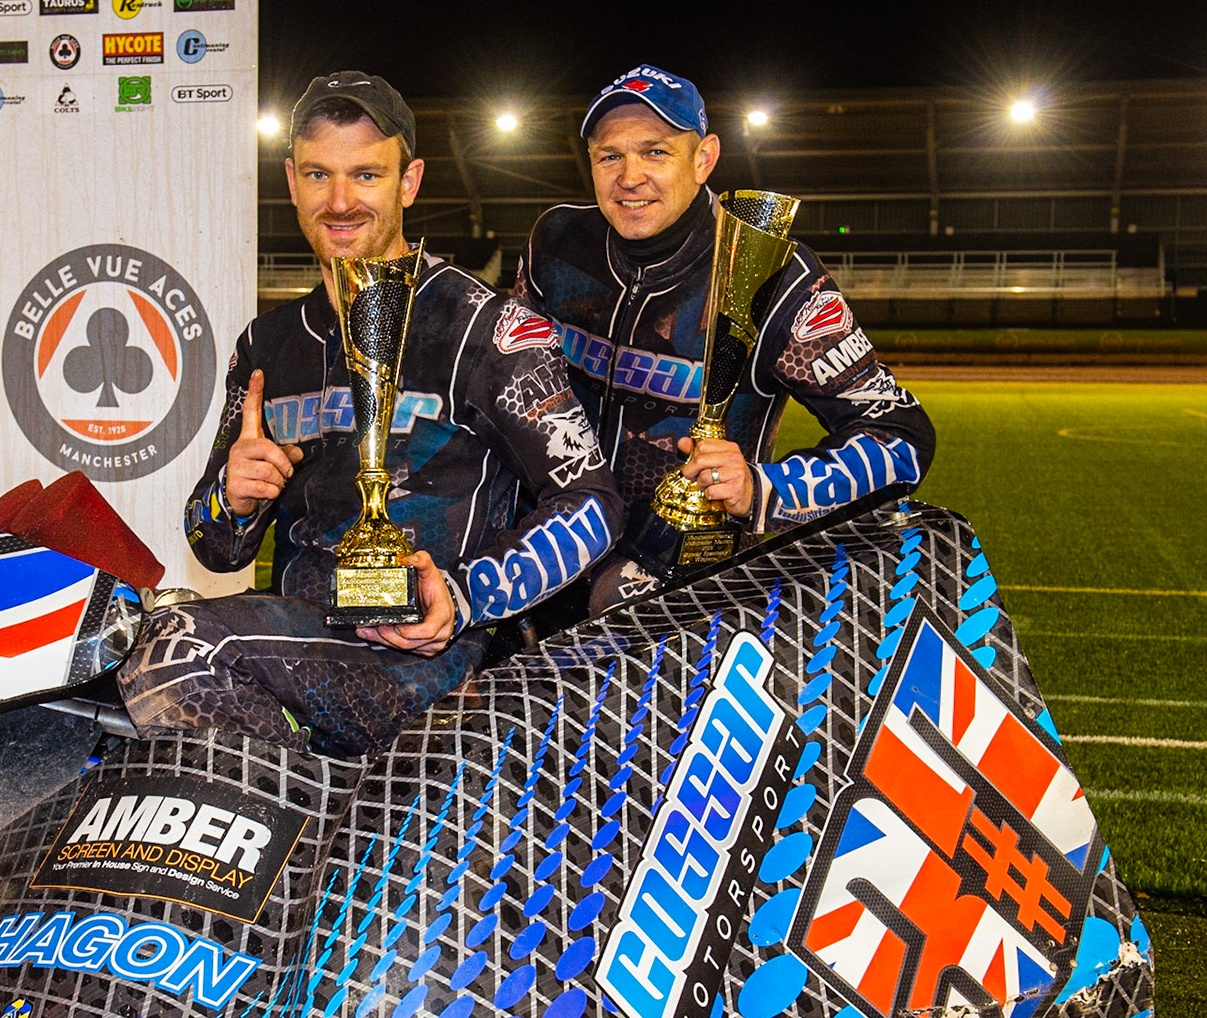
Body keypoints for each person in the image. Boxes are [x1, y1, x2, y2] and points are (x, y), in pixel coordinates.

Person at [117, 71, 623, 759]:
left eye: (366, 174)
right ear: (292, 181)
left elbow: (592, 504)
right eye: (320, 174)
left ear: (408, 183)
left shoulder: (487, 327)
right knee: (119, 640)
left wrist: (463, 594)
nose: (341, 201)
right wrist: (231, 500)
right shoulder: (268, 343)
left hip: (428, 662)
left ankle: (316, 837)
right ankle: (330, 830)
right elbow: (215, 547)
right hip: (298, 639)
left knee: (175, 652)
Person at [515, 65, 937, 610]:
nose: (630, 176)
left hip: (685, 591)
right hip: (547, 559)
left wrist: (763, 489)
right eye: (609, 156)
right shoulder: (555, 242)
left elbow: (901, 438)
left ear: (704, 158)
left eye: (656, 152)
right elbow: (511, 388)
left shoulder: (774, 273)